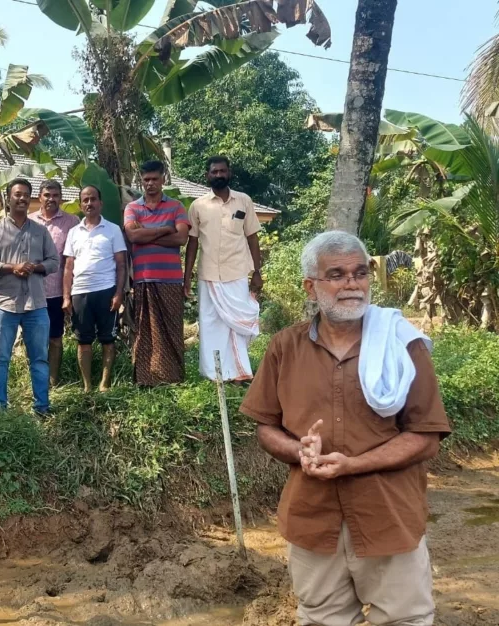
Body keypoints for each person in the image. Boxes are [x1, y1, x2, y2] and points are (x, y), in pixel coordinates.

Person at [241, 231, 451, 626]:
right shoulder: (285, 347)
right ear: (311, 286)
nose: (351, 284)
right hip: (312, 518)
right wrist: (298, 451)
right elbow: (265, 427)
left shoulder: (403, 346)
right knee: (322, 619)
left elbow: (426, 437)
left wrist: (354, 465)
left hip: (388, 516)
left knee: (405, 618)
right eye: (336, 274)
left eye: (359, 273)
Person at [0, 179, 59, 415]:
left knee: (40, 360)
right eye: (17, 195)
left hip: (36, 304)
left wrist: (35, 267)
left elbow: (54, 262)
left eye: (26, 195)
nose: (21, 199)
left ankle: (42, 407)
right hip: (5, 303)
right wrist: (12, 268)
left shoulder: (40, 232)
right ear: (8, 199)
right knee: (0, 358)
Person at [183, 156, 263, 382]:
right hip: (208, 275)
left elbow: (252, 238)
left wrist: (257, 271)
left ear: (229, 173)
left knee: (235, 325)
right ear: (207, 175)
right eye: (214, 172)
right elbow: (192, 243)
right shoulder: (198, 206)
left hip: (237, 272)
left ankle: (239, 372)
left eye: (222, 171)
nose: (218, 175)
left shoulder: (244, 201)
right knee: (210, 324)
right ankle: (214, 374)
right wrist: (187, 277)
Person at [123, 160, 190, 385]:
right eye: (146, 180)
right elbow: (133, 236)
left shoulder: (176, 207)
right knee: (145, 332)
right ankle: (146, 378)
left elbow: (181, 238)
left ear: (163, 179)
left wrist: (147, 232)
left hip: (170, 280)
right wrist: (165, 230)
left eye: (154, 179)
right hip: (143, 279)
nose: (150, 183)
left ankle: (173, 378)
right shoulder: (132, 208)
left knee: (172, 328)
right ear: (141, 181)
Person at [62, 186, 127, 393]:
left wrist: (119, 293)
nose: (89, 203)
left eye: (93, 199)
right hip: (80, 293)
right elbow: (68, 267)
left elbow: (121, 264)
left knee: (108, 339)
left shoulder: (113, 229)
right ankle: (87, 385)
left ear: (101, 203)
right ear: (80, 205)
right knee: (83, 341)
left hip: (106, 290)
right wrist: (66, 297)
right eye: (85, 200)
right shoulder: (73, 232)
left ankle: (105, 383)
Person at [29, 180, 78, 386]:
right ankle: (36, 380)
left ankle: (53, 381)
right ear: (39, 197)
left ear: (61, 197)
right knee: (33, 339)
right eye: (47, 195)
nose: (51, 199)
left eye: (55, 195)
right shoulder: (29, 220)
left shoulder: (72, 222)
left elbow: (74, 258)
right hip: (30, 291)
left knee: (55, 338)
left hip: (57, 291)